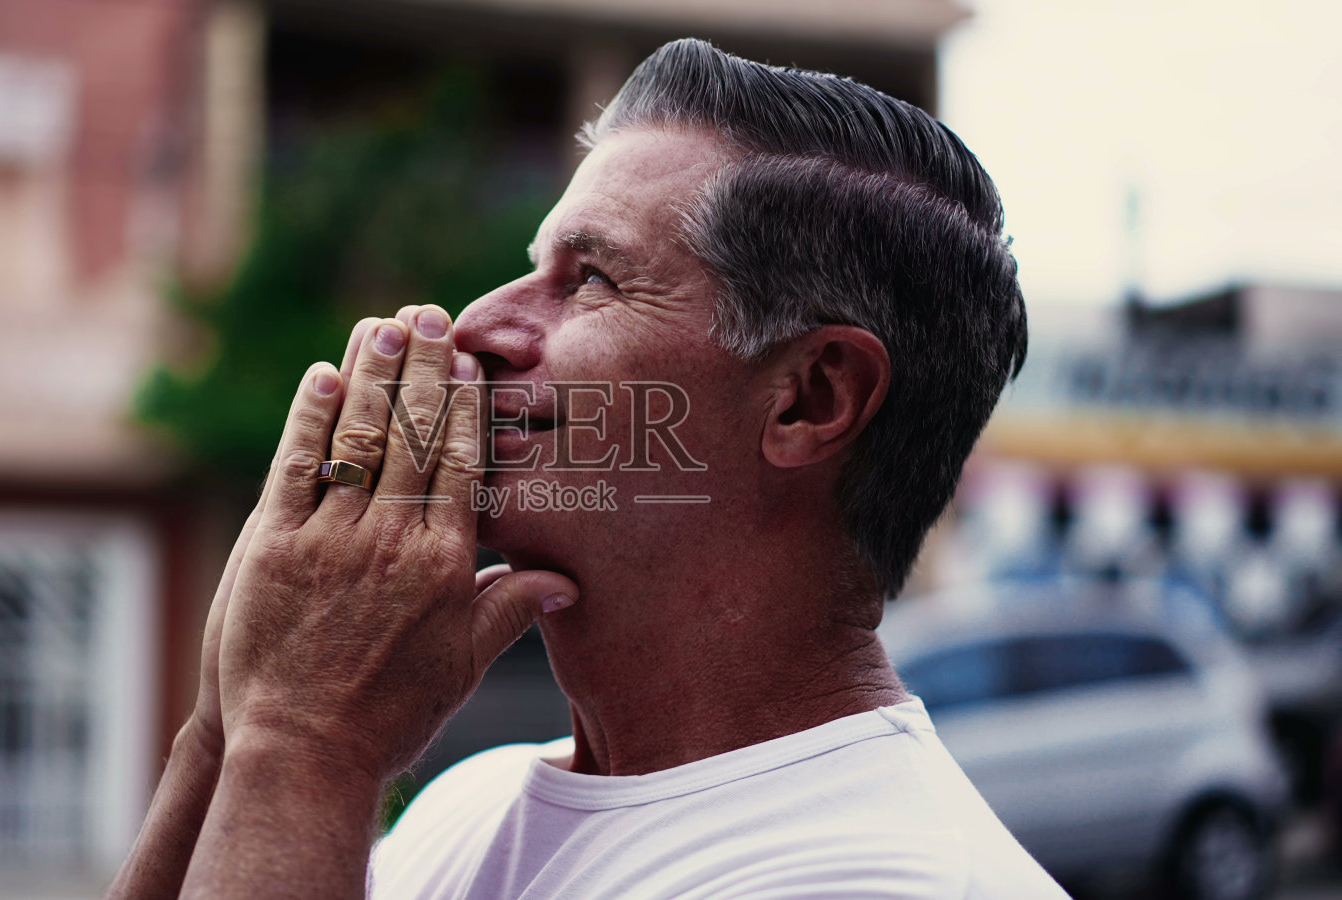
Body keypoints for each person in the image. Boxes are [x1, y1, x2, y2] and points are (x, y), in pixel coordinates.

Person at [108, 38, 1068, 899]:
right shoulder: (470, 803)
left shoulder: (891, 876)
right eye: (536, 267)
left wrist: (306, 736)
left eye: (591, 280)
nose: (479, 324)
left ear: (810, 398)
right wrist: (226, 733)